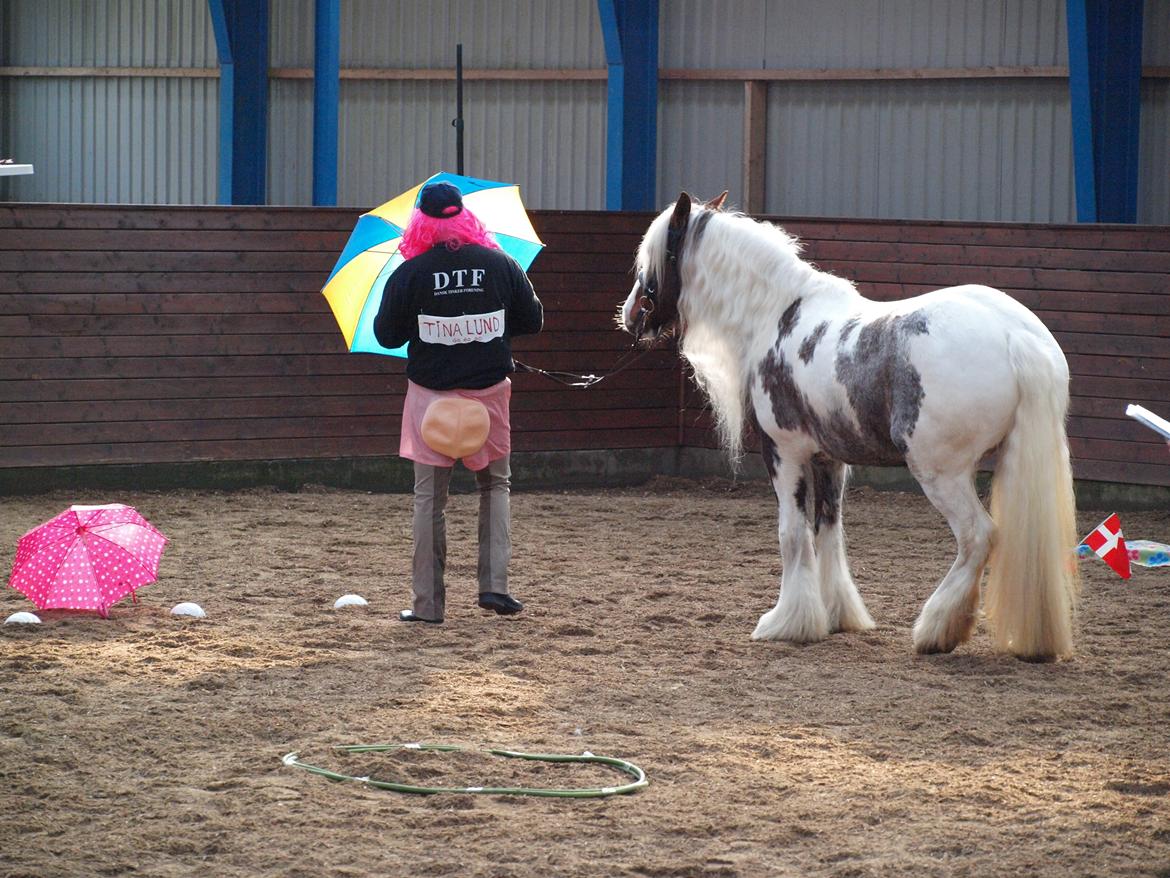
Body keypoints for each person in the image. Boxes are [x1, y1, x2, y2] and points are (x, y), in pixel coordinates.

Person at [373, 181, 543, 624]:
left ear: (420, 223)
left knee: (429, 498)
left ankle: (428, 605)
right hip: (488, 398)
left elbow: (386, 335)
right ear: (465, 215)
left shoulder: (408, 273)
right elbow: (533, 319)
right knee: (495, 487)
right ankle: (495, 587)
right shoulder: (500, 264)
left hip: (431, 402)